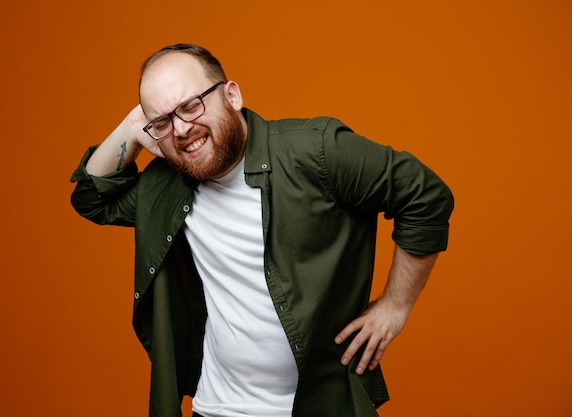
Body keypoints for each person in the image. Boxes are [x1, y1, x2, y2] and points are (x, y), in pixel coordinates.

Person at [70, 43, 454, 417]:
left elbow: (425, 197)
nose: (182, 128)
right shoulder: (167, 186)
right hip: (216, 407)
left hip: (321, 407)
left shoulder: (316, 152)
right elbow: (92, 197)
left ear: (232, 95)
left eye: (190, 105)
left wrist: (395, 306)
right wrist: (134, 125)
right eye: (164, 121)